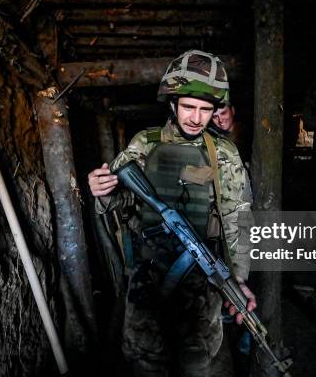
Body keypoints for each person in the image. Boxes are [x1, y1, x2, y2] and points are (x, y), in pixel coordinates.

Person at [88, 50, 255, 377]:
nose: (196, 118)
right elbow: (121, 202)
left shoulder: (224, 153)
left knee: (197, 361)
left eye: (205, 110)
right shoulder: (145, 145)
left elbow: (238, 218)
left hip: (201, 282)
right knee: (148, 360)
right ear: (172, 104)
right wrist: (103, 193)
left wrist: (239, 278)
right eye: (189, 107)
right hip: (148, 276)